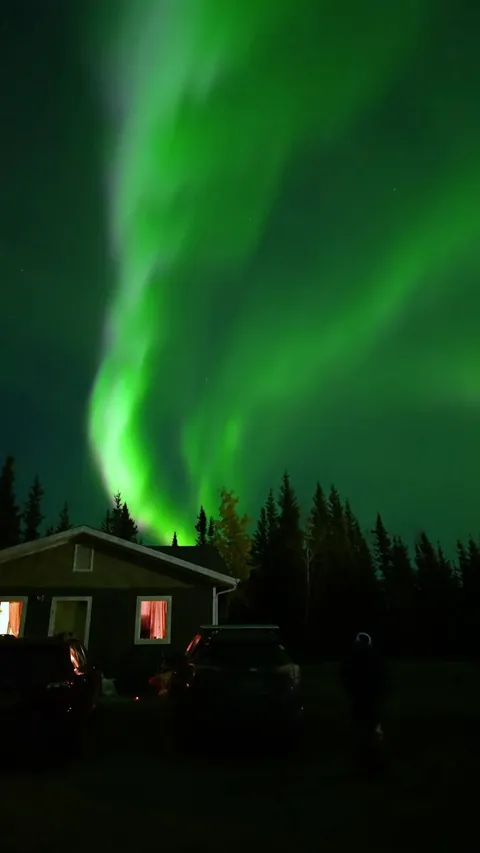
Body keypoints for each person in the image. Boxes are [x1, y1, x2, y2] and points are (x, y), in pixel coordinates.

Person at [340, 632, 389, 766]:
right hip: (372, 698)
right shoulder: (376, 657)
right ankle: (375, 756)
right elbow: (383, 678)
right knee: (373, 726)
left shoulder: (350, 658)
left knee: (360, 726)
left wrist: (351, 691)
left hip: (358, 697)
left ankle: (362, 756)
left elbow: (345, 677)